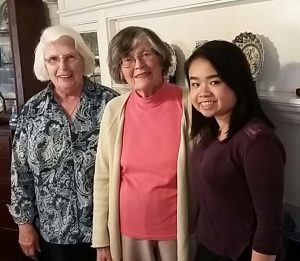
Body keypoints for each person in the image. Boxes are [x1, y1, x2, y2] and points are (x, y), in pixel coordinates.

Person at [8, 24, 118, 261]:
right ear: (44, 65)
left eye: (70, 57)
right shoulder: (32, 110)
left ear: (83, 60)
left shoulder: (110, 103)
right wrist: (24, 224)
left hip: (105, 231)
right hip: (53, 233)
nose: (63, 67)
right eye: (53, 59)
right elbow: (20, 171)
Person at [92, 26, 191, 261]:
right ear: (119, 69)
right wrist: (102, 240)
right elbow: (103, 177)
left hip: (179, 232)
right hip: (129, 235)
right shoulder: (115, 109)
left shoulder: (188, 103)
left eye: (146, 54)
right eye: (127, 59)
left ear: (161, 58)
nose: (138, 64)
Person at [184, 40, 285, 261]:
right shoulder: (212, 131)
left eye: (215, 82)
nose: (203, 92)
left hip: (241, 253)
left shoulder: (257, 141)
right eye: (195, 84)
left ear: (237, 82)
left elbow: (270, 223)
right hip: (209, 248)